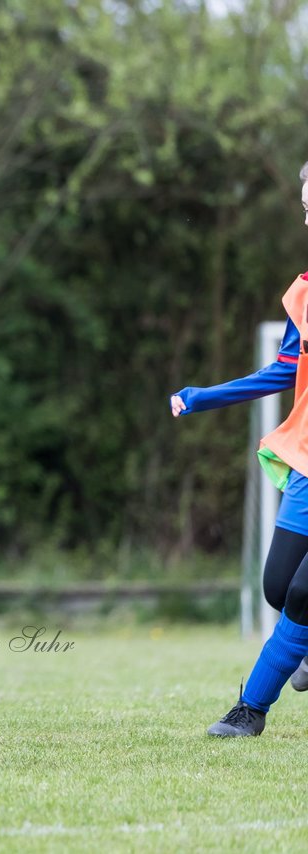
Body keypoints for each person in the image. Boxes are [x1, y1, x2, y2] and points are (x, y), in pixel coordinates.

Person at [171, 159, 308, 736]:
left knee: (302, 594)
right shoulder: (305, 294)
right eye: (306, 205)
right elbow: (281, 371)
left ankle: (249, 711)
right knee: (278, 585)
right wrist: (204, 396)